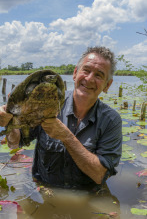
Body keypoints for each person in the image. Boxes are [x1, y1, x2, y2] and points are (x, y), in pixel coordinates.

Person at [0, 46, 122, 191]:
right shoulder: (46, 102)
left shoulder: (111, 121)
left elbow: (100, 176)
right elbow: (14, 143)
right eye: (86, 70)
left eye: (99, 75)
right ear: (75, 73)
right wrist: (10, 124)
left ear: (107, 85)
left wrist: (66, 137)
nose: (89, 79)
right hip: (44, 190)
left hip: (87, 195)